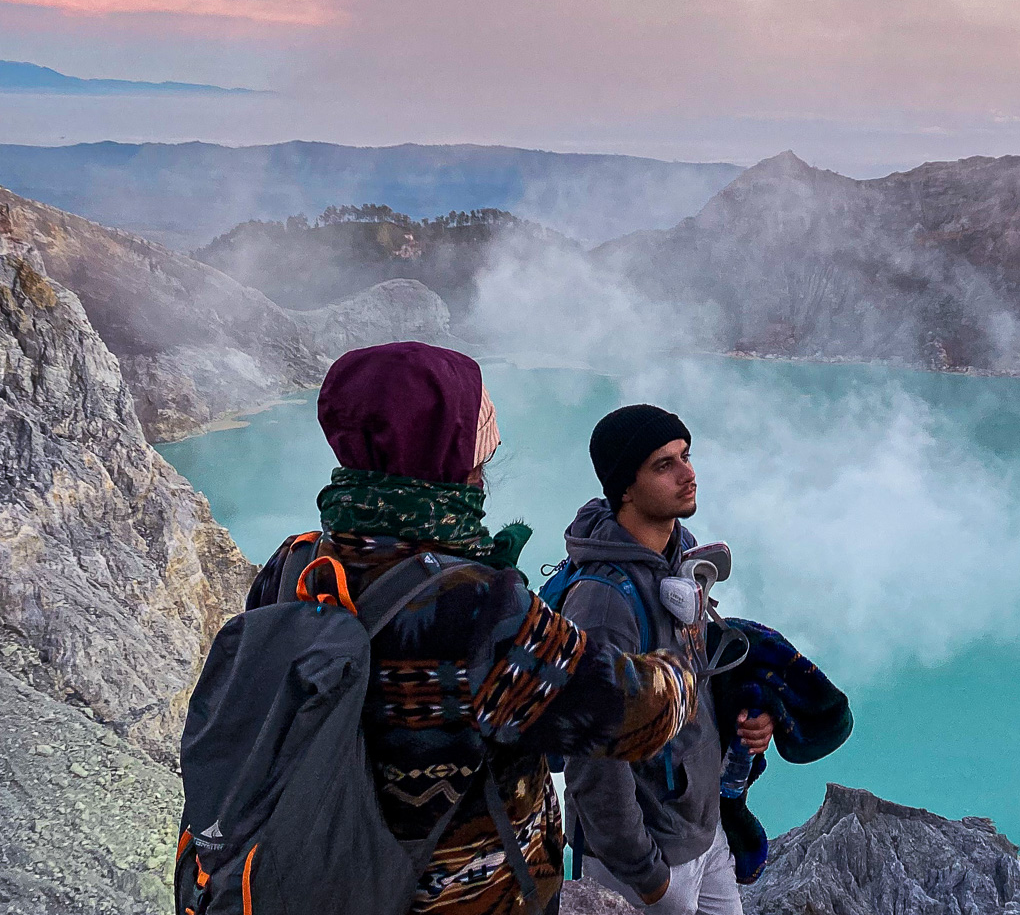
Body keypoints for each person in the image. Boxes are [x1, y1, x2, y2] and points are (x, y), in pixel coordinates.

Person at [246, 344, 701, 915]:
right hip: (464, 898)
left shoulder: (296, 564)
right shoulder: (477, 603)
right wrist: (689, 651)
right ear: (449, 450)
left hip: (327, 878)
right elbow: (635, 713)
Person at [559, 405, 775, 915]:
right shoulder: (603, 602)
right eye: (664, 465)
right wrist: (647, 875)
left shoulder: (682, 558)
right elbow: (591, 759)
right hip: (649, 862)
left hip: (703, 836)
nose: (688, 473)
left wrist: (748, 726)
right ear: (625, 489)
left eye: (686, 455)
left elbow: (694, 687)